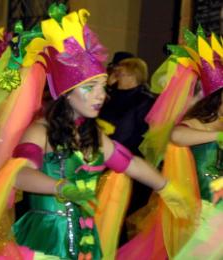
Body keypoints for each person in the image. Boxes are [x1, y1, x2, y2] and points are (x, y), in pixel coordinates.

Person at [10, 7, 188, 260]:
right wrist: (61, 187)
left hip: (85, 243)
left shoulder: (93, 135)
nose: (101, 95)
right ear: (66, 93)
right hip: (44, 242)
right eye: (90, 88)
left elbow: (130, 163)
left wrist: (167, 188)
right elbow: (18, 174)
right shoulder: (41, 130)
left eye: (103, 87)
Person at [117, 26, 223, 260]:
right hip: (198, 214)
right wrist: (217, 136)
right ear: (217, 99)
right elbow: (177, 136)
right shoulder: (197, 123)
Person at [98, 57, 156, 246]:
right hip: (103, 160)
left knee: (121, 216)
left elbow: (134, 133)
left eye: (120, 73)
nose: (115, 76)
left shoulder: (145, 100)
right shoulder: (108, 96)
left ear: (132, 75)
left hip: (129, 163)